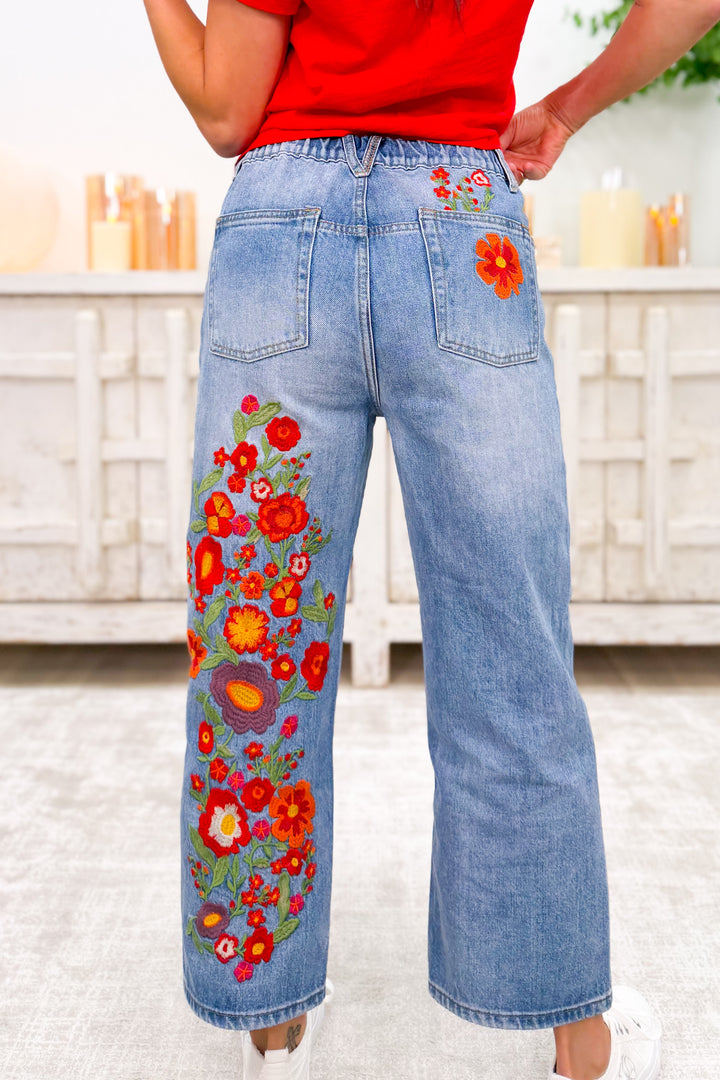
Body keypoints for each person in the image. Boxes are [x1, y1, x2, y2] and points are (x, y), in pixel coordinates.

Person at [142, 1, 720, 1078]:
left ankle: (272, 1028)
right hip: (460, 220)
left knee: (257, 651)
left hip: (282, 224)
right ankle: (577, 1042)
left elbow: (227, 112)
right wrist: (564, 109)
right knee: (513, 646)